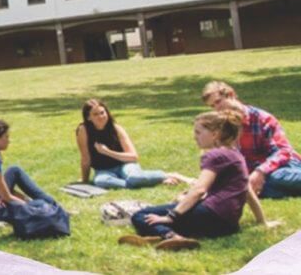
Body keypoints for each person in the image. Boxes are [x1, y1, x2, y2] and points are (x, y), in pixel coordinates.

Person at [121, 110, 272, 251]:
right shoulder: (236, 155)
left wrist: (171, 216)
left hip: (211, 216)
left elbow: (200, 189)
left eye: (199, 132)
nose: (195, 136)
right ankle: (158, 237)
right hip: (228, 226)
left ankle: (172, 237)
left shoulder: (215, 155)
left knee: (140, 216)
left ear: (215, 134)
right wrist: (262, 221)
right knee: (176, 208)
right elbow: (248, 191)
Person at [202, 80, 301, 199]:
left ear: (231, 95)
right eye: (212, 106)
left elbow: (284, 151)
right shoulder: (224, 127)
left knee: (276, 177)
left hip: (283, 166)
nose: (217, 108)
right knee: (249, 187)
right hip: (255, 173)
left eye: (218, 102)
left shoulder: (262, 118)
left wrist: (261, 171)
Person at [0, 118, 57, 227]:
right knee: (40, 205)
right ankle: (54, 208)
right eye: (6, 137)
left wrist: (26, 200)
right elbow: (6, 196)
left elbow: (2, 189)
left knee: (14, 170)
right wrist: (29, 205)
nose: (9, 140)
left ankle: (53, 206)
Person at [76, 98, 172, 189]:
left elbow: (133, 157)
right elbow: (86, 158)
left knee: (135, 178)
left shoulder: (116, 128)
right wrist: (85, 180)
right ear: (88, 117)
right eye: (95, 114)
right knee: (101, 181)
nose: (101, 116)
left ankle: (167, 175)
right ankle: (138, 183)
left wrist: (107, 152)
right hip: (103, 170)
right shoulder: (83, 130)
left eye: (102, 112)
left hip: (125, 165)